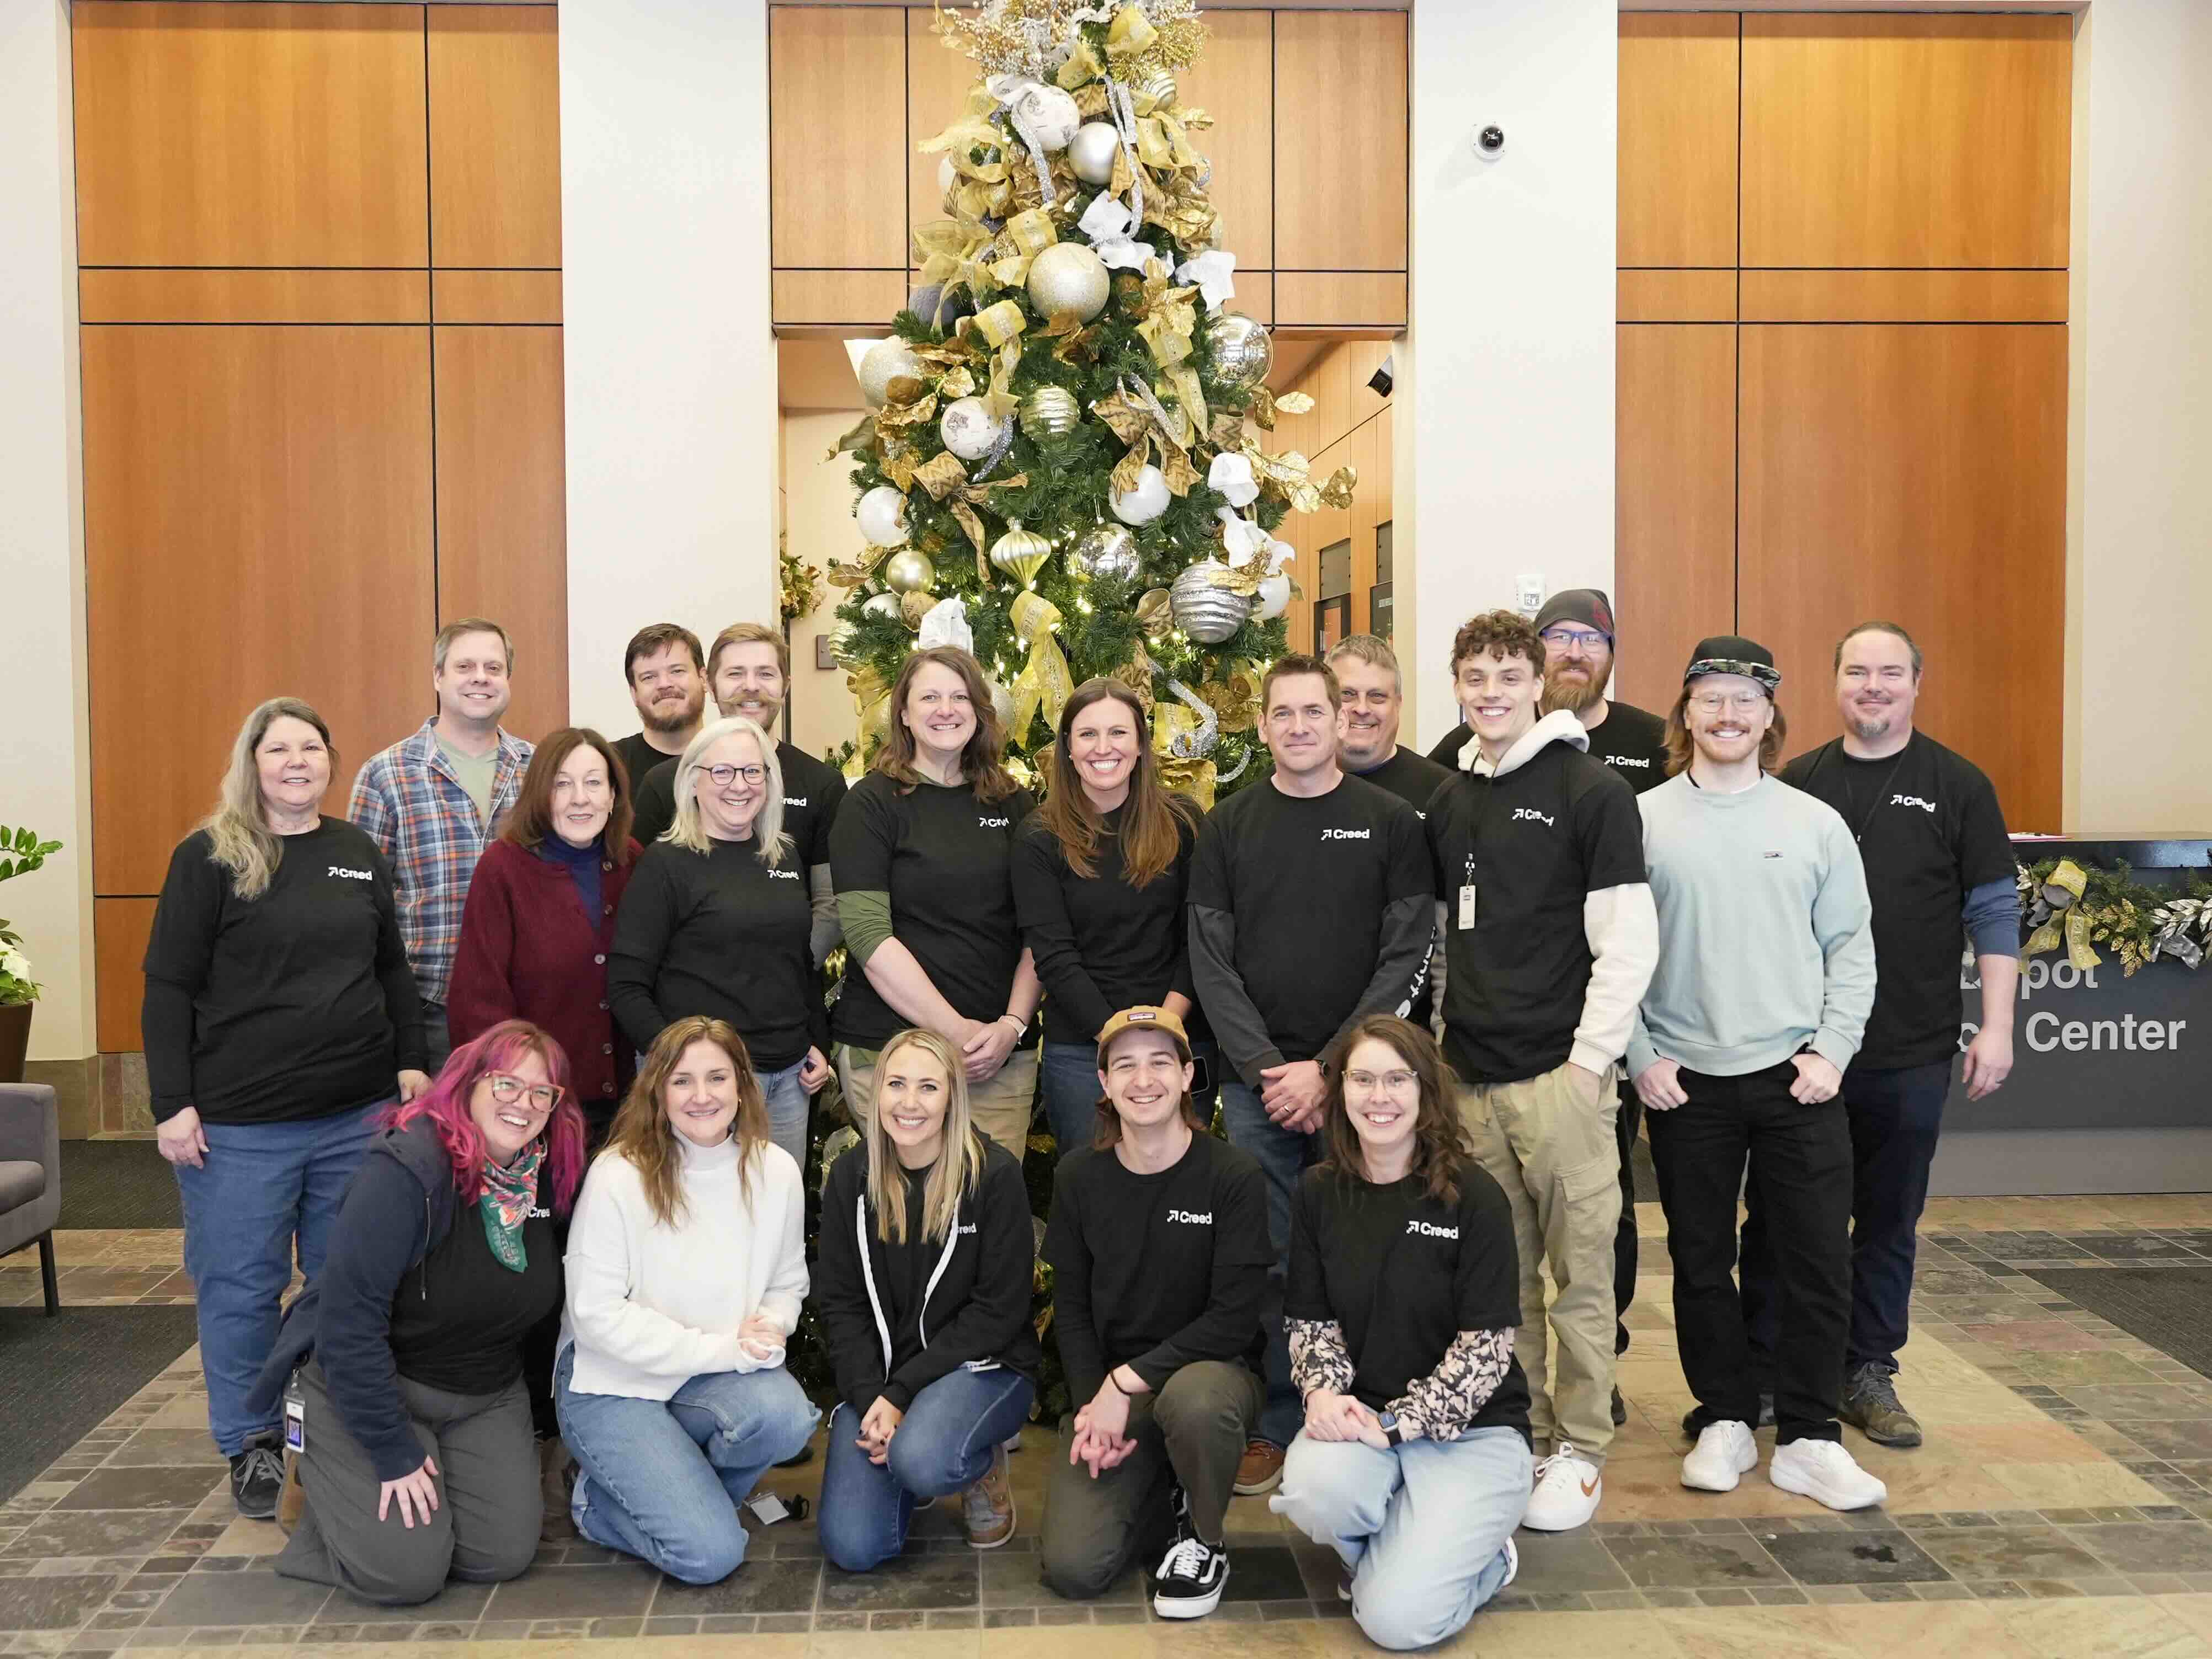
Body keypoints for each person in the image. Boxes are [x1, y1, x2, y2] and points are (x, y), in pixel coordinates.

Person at [143, 697, 429, 1519]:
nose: (296, 761)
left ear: (330, 762)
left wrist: (409, 1059)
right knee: (241, 1285)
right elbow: (168, 986)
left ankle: (333, 1422)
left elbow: (391, 971)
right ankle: (251, 1439)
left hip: (356, 1116)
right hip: (239, 1127)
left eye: (311, 747)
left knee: (346, 1279)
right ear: (253, 761)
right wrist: (173, 1104)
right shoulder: (209, 856)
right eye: (279, 749)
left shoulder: (355, 851)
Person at [1739, 621, 2019, 1448]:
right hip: (1798, 1048)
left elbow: (1994, 910)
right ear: (1833, 683)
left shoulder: (1958, 784)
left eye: (1889, 672)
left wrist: (1996, 1026)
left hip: (1909, 1046)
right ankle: (1763, 1367)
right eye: (1857, 671)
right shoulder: (1796, 782)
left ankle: (1867, 1369)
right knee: (1779, 1215)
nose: (1873, 685)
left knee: (1888, 1216)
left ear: (1916, 683)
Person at [1628, 636, 1886, 1510]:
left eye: (1746, 699)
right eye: (1711, 697)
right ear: (1686, 713)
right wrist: (1641, 1055)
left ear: (1771, 715)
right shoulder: (1643, 818)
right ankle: (1728, 1416)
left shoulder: (1812, 823)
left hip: (1794, 1078)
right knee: (1700, 1260)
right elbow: (1612, 951)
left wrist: (1832, 1051)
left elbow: (1852, 949)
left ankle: (1810, 1434)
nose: (1728, 713)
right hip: (1683, 1079)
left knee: (1817, 1258)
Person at [1424, 610, 1656, 1532]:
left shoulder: (1590, 790)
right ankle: (1514, 1430)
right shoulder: (1451, 795)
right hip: (1469, 1079)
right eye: (1472, 677)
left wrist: (1587, 1063)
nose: (1489, 693)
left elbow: (1626, 944)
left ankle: (1581, 1443)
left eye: (1505, 676)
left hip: (1558, 1080)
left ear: (1536, 684)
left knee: (1581, 1274)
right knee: (1501, 1275)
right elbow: (1445, 937)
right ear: (1456, 686)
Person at [1187, 654, 1433, 1496]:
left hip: (1362, 1087)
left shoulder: (1393, 820)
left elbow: (1407, 954)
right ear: (1261, 726)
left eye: (1312, 711)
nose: (1297, 726)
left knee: (1366, 1247)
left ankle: (1371, 1407)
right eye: (1281, 712)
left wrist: (1330, 1069)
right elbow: (1209, 961)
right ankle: (1280, 1419)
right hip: (1256, 1087)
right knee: (1270, 1254)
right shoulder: (1226, 825)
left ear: (1340, 721)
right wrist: (1268, 1070)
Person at [260, 1021, 586, 1604]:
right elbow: (347, 1324)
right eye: (507, 1083)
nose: (525, 1104)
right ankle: (324, 1496)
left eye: (543, 1092)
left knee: (503, 1555)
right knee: (406, 1575)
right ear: (467, 1083)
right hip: (373, 1387)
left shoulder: (544, 1179)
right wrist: (391, 1450)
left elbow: (539, 1317)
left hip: (483, 1393)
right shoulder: (407, 1171)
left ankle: (397, 1519)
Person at [1271, 1015, 1534, 1650]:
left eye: (1396, 1078)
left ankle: (1486, 1558)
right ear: (1341, 1091)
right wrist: (1324, 1396)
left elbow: (1484, 1352)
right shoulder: (1319, 1191)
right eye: (1362, 1078)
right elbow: (1311, 1321)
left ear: (1425, 1092)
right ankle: (1403, 1548)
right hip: (1362, 1418)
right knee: (1311, 1489)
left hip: (1473, 1432)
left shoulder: (1474, 1197)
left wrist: (1398, 1425)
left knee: (1394, 1623)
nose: (1378, 1096)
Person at [553, 1016, 819, 1584]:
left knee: (785, 1416)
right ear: (657, 1089)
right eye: (682, 1081)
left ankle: (679, 1494)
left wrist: (770, 1324)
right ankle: (592, 1502)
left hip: (708, 1374)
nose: (702, 1096)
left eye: (717, 1077)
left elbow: (786, 1281)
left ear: (742, 1085)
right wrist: (726, 1347)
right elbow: (596, 1317)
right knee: (709, 1556)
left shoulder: (775, 1170)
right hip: (613, 1383)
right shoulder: (618, 1173)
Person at [1039, 1006, 1271, 1619]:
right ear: (1104, 1084)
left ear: (1189, 1074)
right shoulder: (1078, 1177)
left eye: (1160, 1062)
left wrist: (1124, 1381)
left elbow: (1234, 1319)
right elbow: (1072, 1311)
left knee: (1192, 1402)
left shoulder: (1233, 1176)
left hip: (1213, 1377)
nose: (1144, 1080)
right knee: (1073, 1567)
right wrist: (1095, 1405)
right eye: (1126, 1066)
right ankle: (1163, 1485)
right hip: (1118, 1394)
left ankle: (1205, 1538)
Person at [814, 1027, 1041, 1565]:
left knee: (923, 1458)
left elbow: (998, 1311)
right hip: (885, 1379)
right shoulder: (853, 1176)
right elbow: (840, 1303)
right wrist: (872, 1396)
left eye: (927, 1087)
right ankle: (910, 1454)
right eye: (896, 1083)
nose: (909, 1102)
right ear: (878, 1091)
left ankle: (972, 1462)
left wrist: (902, 1396)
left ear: (952, 1096)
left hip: (981, 1369)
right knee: (853, 1547)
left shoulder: (993, 1175)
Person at [832, 646, 1042, 1159]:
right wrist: (954, 1032)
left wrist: (1011, 1026)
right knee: (905, 1218)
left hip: (998, 1058)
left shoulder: (1014, 803)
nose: (945, 709)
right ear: (902, 712)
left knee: (989, 1214)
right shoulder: (871, 803)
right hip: (891, 1053)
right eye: (929, 697)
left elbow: (1043, 930)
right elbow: (866, 935)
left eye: (959, 696)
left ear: (979, 710)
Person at [609, 716, 832, 1170]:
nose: (739, 785)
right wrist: (677, 1067)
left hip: (788, 1082)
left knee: (773, 1218)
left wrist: (815, 1040)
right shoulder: (665, 863)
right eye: (722, 772)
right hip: (701, 1090)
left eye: (753, 771)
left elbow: (798, 962)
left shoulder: (783, 855)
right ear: (693, 781)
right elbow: (625, 984)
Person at [1013, 678, 1208, 1161]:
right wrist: (1117, 1042)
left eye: (1119, 733)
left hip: (1179, 1037)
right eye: (1087, 735)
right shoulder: (1039, 836)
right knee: (1095, 1194)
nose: (1104, 748)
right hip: (1083, 1051)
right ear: (1067, 749)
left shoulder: (1183, 821)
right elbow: (1053, 956)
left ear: (1141, 745)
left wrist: (1164, 1033)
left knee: (1179, 1190)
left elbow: (1199, 939)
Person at [349, 618, 534, 1068]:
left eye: (494, 667)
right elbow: (357, 902)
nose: (480, 678)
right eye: (464, 666)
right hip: (427, 1010)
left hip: (527, 1006)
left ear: (508, 679)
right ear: (438, 676)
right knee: (433, 1138)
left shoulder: (540, 768)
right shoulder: (386, 774)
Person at [449, 728, 640, 1145]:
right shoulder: (502, 868)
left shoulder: (632, 861)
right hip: (533, 1109)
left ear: (613, 795)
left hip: (630, 1106)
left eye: (594, 783)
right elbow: (478, 999)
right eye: (562, 784)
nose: (580, 798)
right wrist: (514, 1096)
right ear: (539, 793)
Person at [631, 623, 846, 965]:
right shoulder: (664, 783)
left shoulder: (822, 783)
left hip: (788, 995)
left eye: (765, 673)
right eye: (735, 674)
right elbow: (638, 904)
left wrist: (790, 973)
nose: (751, 686)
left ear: (785, 686)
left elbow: (829, 903)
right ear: (710, 685)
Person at [1328, 635, 1453, 1032]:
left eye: (1376, 696)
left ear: (1398, 704)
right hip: (1306, 1032)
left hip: (1409, 1034)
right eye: (1346, 694)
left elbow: (1453, 933)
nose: (1361, 709)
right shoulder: (1286, 788)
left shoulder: (1443, 793)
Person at [609, 623, 707, 792]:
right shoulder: (608, 766)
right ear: (634, 693)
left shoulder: (739, 760)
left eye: (677, 671)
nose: (664, 684)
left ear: (704, 679)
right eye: (649, 677)